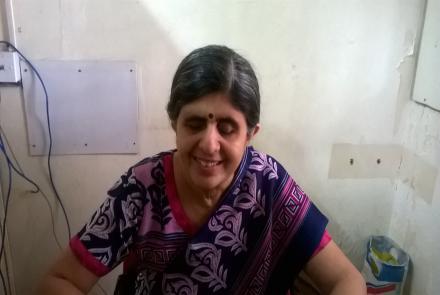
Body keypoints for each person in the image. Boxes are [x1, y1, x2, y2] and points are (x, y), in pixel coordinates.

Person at [37, 45, 366, 295]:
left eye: (227, 128)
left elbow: (346, 279)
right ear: (174, 124)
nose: (209, 144)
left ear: (251, 134)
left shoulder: (266, 182)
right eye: (195, 123)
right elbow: (58, 280)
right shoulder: (140, 190)